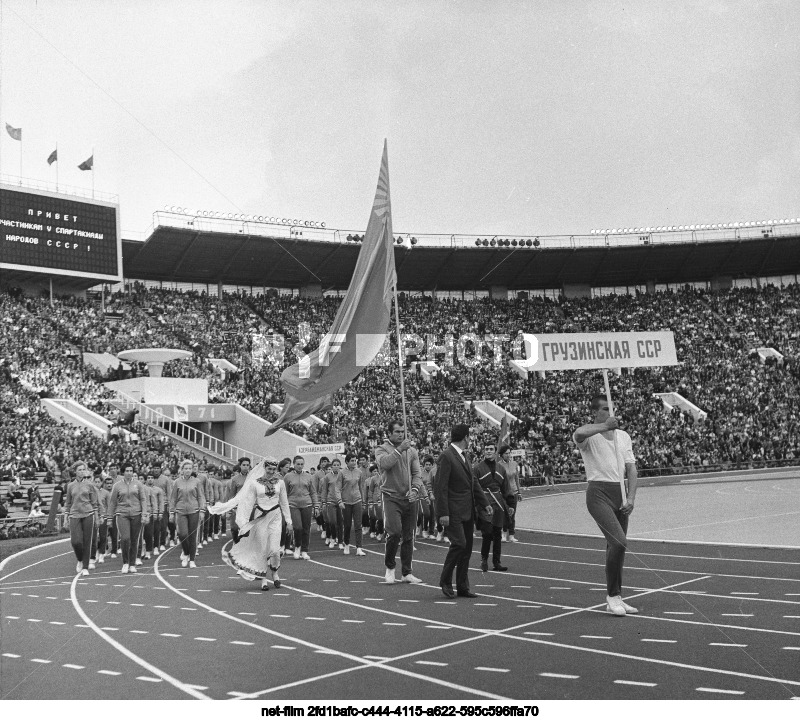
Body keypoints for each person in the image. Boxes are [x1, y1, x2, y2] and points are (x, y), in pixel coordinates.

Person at [573, 394, 639, 617]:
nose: (610, 413)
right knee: (619, 542)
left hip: (619, 493)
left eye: (611, 409)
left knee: (616, 549)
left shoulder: (623, 436)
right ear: (596, 413)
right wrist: (603, 426)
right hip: (598, 493)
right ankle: (611, 597)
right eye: (604, 409)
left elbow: (631, 469)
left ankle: (616, 596)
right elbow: (578, 433)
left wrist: (631, 498)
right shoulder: (590, 436)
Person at [208, 457, 292, 591]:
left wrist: (289, 521)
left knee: (275, 550)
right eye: (269, 469)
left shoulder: (280, 483)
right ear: (264, 468)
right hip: (260, 517)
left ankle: (275, 572)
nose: (271, 472)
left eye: (273, 469)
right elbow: (247, 504)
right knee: (262, 548)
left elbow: (284, 502)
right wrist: (244, 524)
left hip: (275, 517)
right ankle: (263, 579)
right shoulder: (254, 484)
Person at [433, 423, 492, 599]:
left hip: (467, 510)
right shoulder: (446, 456)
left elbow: (473, 483)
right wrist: (442, 513)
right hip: (452, 512)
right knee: (459, 544)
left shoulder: (464, 457)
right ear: (465, 437)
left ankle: (462, 586)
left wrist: (484, 502)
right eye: (469, 436)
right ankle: (445, 580)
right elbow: (440, 487)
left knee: (466, 549)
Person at [374, 420, 425, 584]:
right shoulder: (381, 449)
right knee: (394, 532)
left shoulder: (412, 451)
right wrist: (399, 449)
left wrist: (415, 490)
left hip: (409, 497)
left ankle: (406, 572)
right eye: (397, 432)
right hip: (391, 496)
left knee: (409, 535)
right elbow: (385, 464)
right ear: (389, 433)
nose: (401, 434)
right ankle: (390, 567)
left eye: (402, 431)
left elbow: (417, 473)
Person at [473, 440, 513, 572]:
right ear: (484, 451)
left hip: (499, 504)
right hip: (484, 504)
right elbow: (473, 488)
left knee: (497, 533)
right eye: (487, 449)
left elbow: (506, 488)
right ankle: (484, 559)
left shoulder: (501, 469)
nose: (489, 451)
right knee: (487, 533)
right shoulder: (477, 468)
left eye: (491, 449)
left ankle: (497, 562)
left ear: (495, 452)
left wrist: (510, 503)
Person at [107, 463, 149, 574]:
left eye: (131, 471)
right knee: (125, 538)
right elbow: (112, 502)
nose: (129, 473)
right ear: (123, 472)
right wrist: (109, 518)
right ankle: (125, 562)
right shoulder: (117, 486)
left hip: (136, 514)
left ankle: (132, 564)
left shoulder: (138, 484)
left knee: (135, 540)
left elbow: (143, 499)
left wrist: (144, 514)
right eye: (127, 471)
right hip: (122, 514)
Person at [63, 460, 100, 576]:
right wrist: (65, 518)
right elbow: (68, 503)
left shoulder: (90, 485)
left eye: (84, 469)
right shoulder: (70, 486)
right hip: (74, 515)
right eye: (80, 470)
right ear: (75, 472)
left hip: (88, 514)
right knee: (76, 542)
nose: (82, 472)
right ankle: (79, 559)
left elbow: (94, 503)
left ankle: (85, 566)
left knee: (87, 541)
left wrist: (97, 517)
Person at [169, 459, 206, 568]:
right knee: (182, 534)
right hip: (180, 511)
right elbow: (173, 498)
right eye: (186, 468)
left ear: (192, 470)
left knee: (193, 536)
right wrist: (171, 512)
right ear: (182, 470)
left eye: (190, 468)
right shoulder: (176, 482)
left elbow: (201, 496)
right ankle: (186, 552)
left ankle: (192, 560)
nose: (188, 470)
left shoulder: (197, 482)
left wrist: (202, 510)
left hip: (194, 510)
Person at [283, 455, 317, 560]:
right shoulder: (288, 476)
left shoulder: (309, 476)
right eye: (298, 464)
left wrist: (316, 505)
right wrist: (284, 506)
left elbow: (313, 492)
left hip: (307, 504)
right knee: (297, 527)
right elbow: (284, 493)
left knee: (306, 528)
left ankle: (304, 551)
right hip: (293, 505)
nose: (300, 466)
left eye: (302, 464)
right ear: (294, 464)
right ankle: (297, 547)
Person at [340, 454, 366, 556]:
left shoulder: (359, 472)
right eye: (352, 460)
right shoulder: (342, 473)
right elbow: (338, 488)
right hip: (346, 501)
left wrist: (363, 501)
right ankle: (346, 544)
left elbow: (361, 487)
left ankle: (359, 548)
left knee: (358, 525)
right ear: (346, 462)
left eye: (355, 460)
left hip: (357, 500)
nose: (354, 462)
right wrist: (339, 501)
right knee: (347, 525)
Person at [498, 445, 522, 543]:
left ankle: (511, 535)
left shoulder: (514, 463)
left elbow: (516, 478)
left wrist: (519, 492)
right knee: (505, 514)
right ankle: (503, 534)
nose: (508, 455)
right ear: (502, 455)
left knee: (513, 514)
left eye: (509, 453)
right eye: (506, 453)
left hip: (514, 492)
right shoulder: (498, 465)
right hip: (503, 493)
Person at [321, 458, 344, 549]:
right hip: (331, 501)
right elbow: (324, 490)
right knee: (332, 522)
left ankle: (340, 541)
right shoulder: (327, 477)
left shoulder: (342, 475)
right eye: (334, 465)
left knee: (340, 522)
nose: (336, 467)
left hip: (341, 501)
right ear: (331, 466)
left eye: (338, 465)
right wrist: (323, 502)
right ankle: (333, 538)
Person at [227, 457, 251, 543]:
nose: (246, 467)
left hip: (249, 506)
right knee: (234, 527)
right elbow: (232, 494)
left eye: (247, 465)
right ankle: (235, 542)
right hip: (237, 506)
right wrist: (231, 507)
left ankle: (243, 547)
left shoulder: (253, 478)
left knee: (246, 529)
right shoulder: (235, 479)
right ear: (240, 466)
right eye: (244, 465)